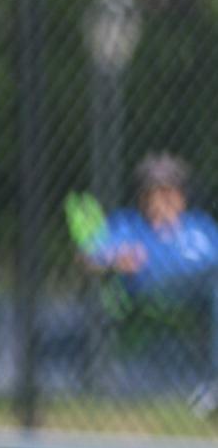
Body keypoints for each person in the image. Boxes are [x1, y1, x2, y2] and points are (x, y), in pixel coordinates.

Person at [78, 152, 218, 402]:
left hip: (202, 292)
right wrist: (115, 260)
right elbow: (87, 258)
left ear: (182, 195)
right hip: (151, 290)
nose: (163, 199)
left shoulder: (200, 225)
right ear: (142, 197)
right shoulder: (127, 224)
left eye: (170, 191)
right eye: (154, 192)